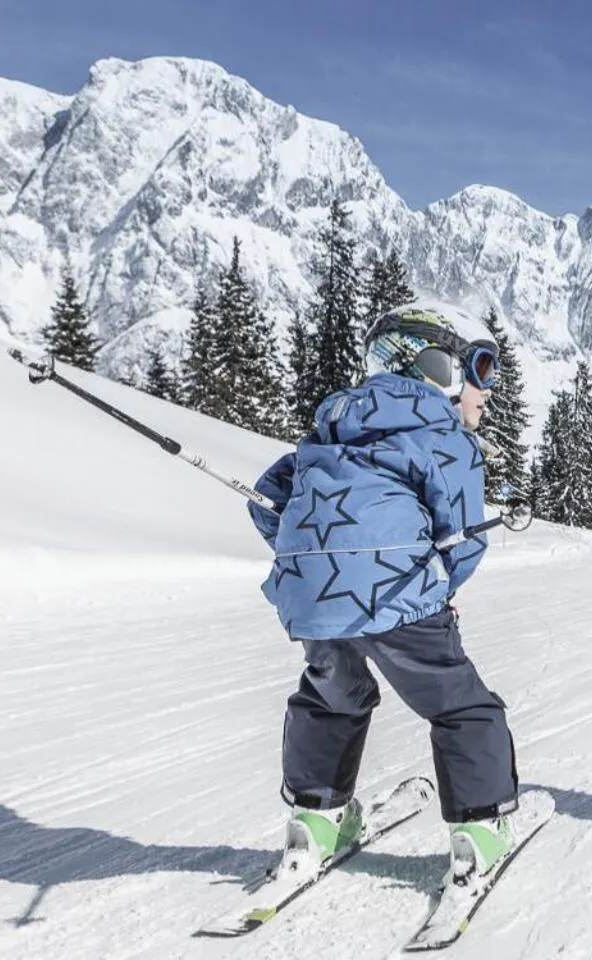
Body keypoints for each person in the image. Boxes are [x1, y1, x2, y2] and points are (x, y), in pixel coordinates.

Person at [249, 303, 520, 887]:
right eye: (481, 368)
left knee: (331, 698)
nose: (487, 391)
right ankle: (479, 828)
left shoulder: (331, 424)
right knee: (459, 704)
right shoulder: (444, 435)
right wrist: (437, 588)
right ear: (438, 367)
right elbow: (463, 538)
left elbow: (266, 498)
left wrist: (316, 564)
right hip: (398, 590)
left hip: (311, 598)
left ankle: (316, 821)